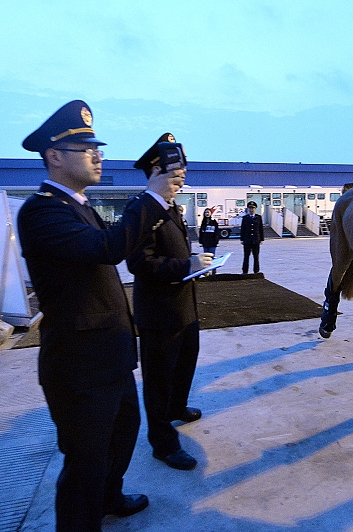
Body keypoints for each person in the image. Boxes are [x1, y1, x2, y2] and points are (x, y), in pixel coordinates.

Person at [17, 101, 182, 531]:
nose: (97, 155)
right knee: (85, 462)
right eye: (85, 148)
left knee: (122, 436)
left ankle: (109, 499)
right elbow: (107, 249)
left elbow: (112, 245)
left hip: (109, 356)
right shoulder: (41, 211)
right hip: (79, 365)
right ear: (54, 156)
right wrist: (151, 196)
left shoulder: (81, 206)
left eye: (98, 147)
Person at [128, 133, 213, 471]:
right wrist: (186, 266)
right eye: (175, 176)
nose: (180, 181)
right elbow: (138, 263)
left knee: (184, 364)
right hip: (160, 313)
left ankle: (177, 407)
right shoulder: (141, 209)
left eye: (182, 176)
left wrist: (196, 266)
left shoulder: (171, 208)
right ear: (155, 171)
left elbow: (176, 252)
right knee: (159, 378)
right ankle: (162, 443)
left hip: (183, 305)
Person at [240, 201, 264, 274]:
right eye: (250, 208)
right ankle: (245, 271)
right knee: (246, 256)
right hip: (247, 240)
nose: (251, 210)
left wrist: (262, 239)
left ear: (255, 208)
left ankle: (256, 271)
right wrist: (242, 239)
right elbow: (243, 228)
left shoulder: (258, 217)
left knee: (256, 256)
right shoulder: (245, 218)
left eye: (253, 208)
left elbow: (261, 229)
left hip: (256, 240)